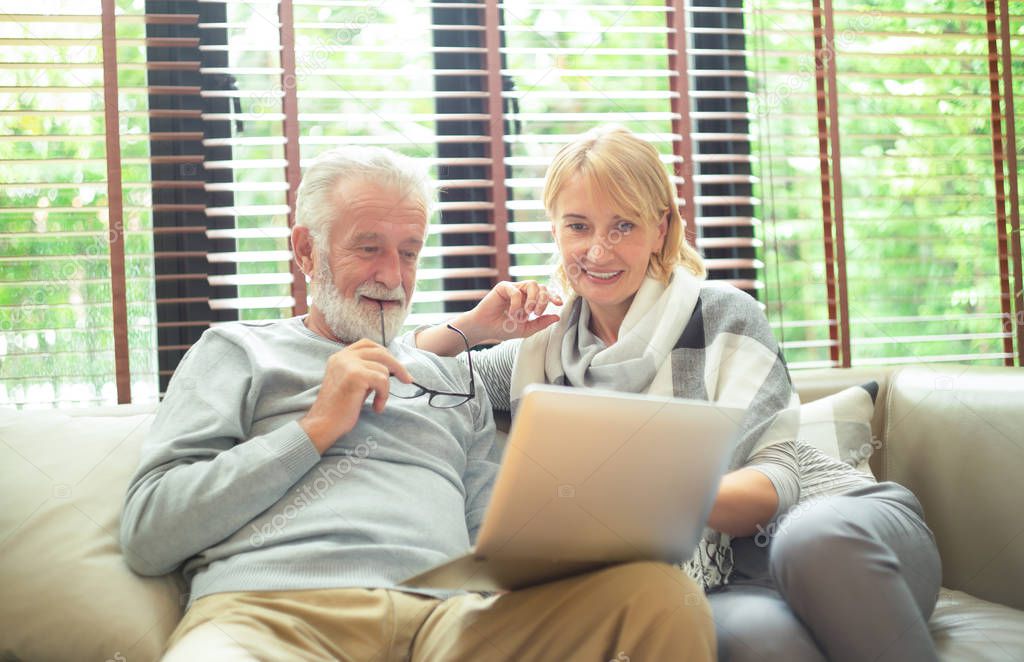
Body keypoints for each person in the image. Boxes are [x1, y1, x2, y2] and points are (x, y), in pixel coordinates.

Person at [120, 145, 716, 661]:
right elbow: (151, 532)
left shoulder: (453, 380)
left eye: (408, 252)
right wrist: (314, 428)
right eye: (369, 247)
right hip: (274, 616)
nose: (391, 275)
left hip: (448, 625)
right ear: (306, 251)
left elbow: (494, 537)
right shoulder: (238, 351)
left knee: (657, 598)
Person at [415, 125, 943, 662]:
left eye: (624, 225)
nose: (598, 249)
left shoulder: (723, 314)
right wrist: (478, 328)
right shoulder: (540, 352)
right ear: (554, 228)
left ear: (661, 227)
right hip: (731, 578)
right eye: (578, 226)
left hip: (841, 529)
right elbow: (414, 372)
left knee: (812, 544)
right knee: (755, 641)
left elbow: (773, 486)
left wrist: (632, 497)